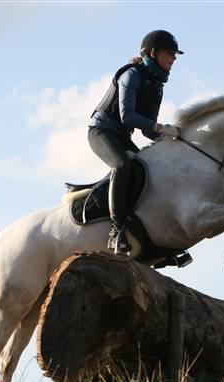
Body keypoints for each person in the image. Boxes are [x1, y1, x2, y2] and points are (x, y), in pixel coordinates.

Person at [88, 30, 183, 254]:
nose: (174, 58)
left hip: (121, 136)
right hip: (101, 132)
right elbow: (127, 116)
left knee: (148, 171)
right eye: (170, 53)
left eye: (175, 54)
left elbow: (147, 130)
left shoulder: (156, 84)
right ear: (152, 52)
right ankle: (116, 230)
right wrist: (160, 128)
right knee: (123, 165)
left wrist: (172, 139)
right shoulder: (131, 74)